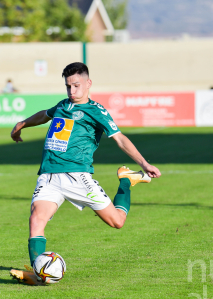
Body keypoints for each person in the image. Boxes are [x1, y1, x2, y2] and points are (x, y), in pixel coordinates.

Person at [9, 62, 161, 285]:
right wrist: (23, 123)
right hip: (49, 175)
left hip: (77, 176)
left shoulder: (96, 111)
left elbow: (119, 138)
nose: (72, 91)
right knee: (36, 219)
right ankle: (38, 272)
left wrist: (144, 164)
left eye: (76, 85)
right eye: (68, 86)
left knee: (117, 221)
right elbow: (44, 115)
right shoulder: (63, 105)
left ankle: (126, 180)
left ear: (88, 83)